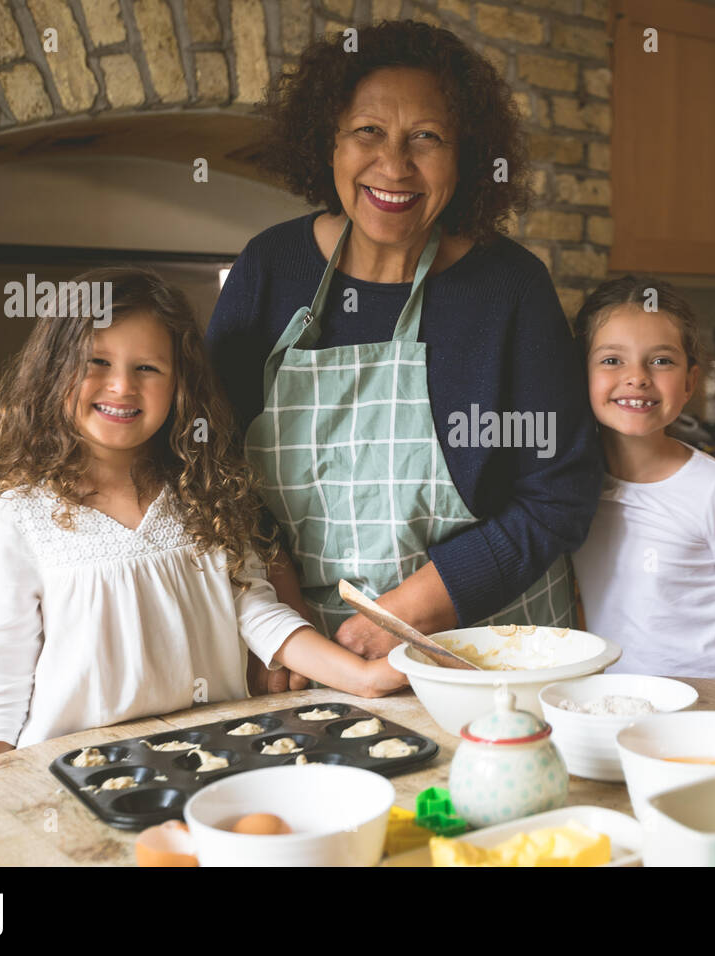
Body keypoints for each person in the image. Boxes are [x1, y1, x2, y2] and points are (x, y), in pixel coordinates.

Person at [206, 20, 602, 692]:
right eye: (368, 132)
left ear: (465, 157)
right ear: (326, 142)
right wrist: (284, 625)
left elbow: (556, 496)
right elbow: (213, 470)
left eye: (427, 138)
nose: (394, 165)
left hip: (489, 652)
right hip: (309, 657)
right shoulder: (271, 270)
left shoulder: (508, 288)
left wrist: (407, 613)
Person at [0, 268, 403, 761]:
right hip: (75, 774)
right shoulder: (21, 517)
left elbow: (260, 615)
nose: (122, 386)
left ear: (179, 384)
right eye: (97, 362)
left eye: (147, 368)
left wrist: (363, 678)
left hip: (216, 755)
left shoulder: (205, 491)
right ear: (52, 372)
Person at [570, 276, 715, 680]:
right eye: (611, 360)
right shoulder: (566, 487)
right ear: (578, 373)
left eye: (661, 361)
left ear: (691, 382)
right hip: (624, 709)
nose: (637, 377)